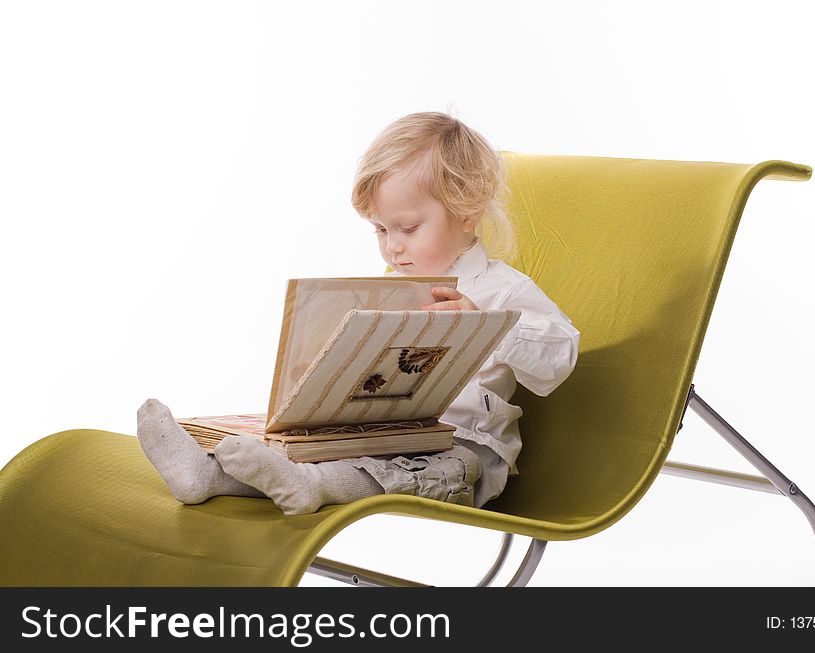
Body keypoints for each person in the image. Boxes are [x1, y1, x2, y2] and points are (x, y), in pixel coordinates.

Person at [136, 111, 579, 515]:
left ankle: (312, 486)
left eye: (407, 228)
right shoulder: (392, 291)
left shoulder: (502, 289)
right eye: (381, 230)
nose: (393, 246)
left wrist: (489, 328)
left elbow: (560, 358)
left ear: (467, 212)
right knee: (312, 448)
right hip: (382, 434)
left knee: (428, 465)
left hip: (461, 450)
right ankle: (208, 476)